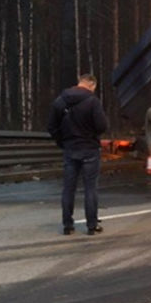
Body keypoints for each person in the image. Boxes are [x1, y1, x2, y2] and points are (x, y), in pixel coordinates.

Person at [47, 73, 109, 235]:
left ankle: (67, 225)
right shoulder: (93, 101)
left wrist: (62, 141)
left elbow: (51, 126)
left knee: (68, 188)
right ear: (91, 85)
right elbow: (102, 126)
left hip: (70, 149)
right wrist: (92, 134)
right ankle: (92, 225)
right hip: (89, 148)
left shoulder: (61, 101)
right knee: (90, 188)